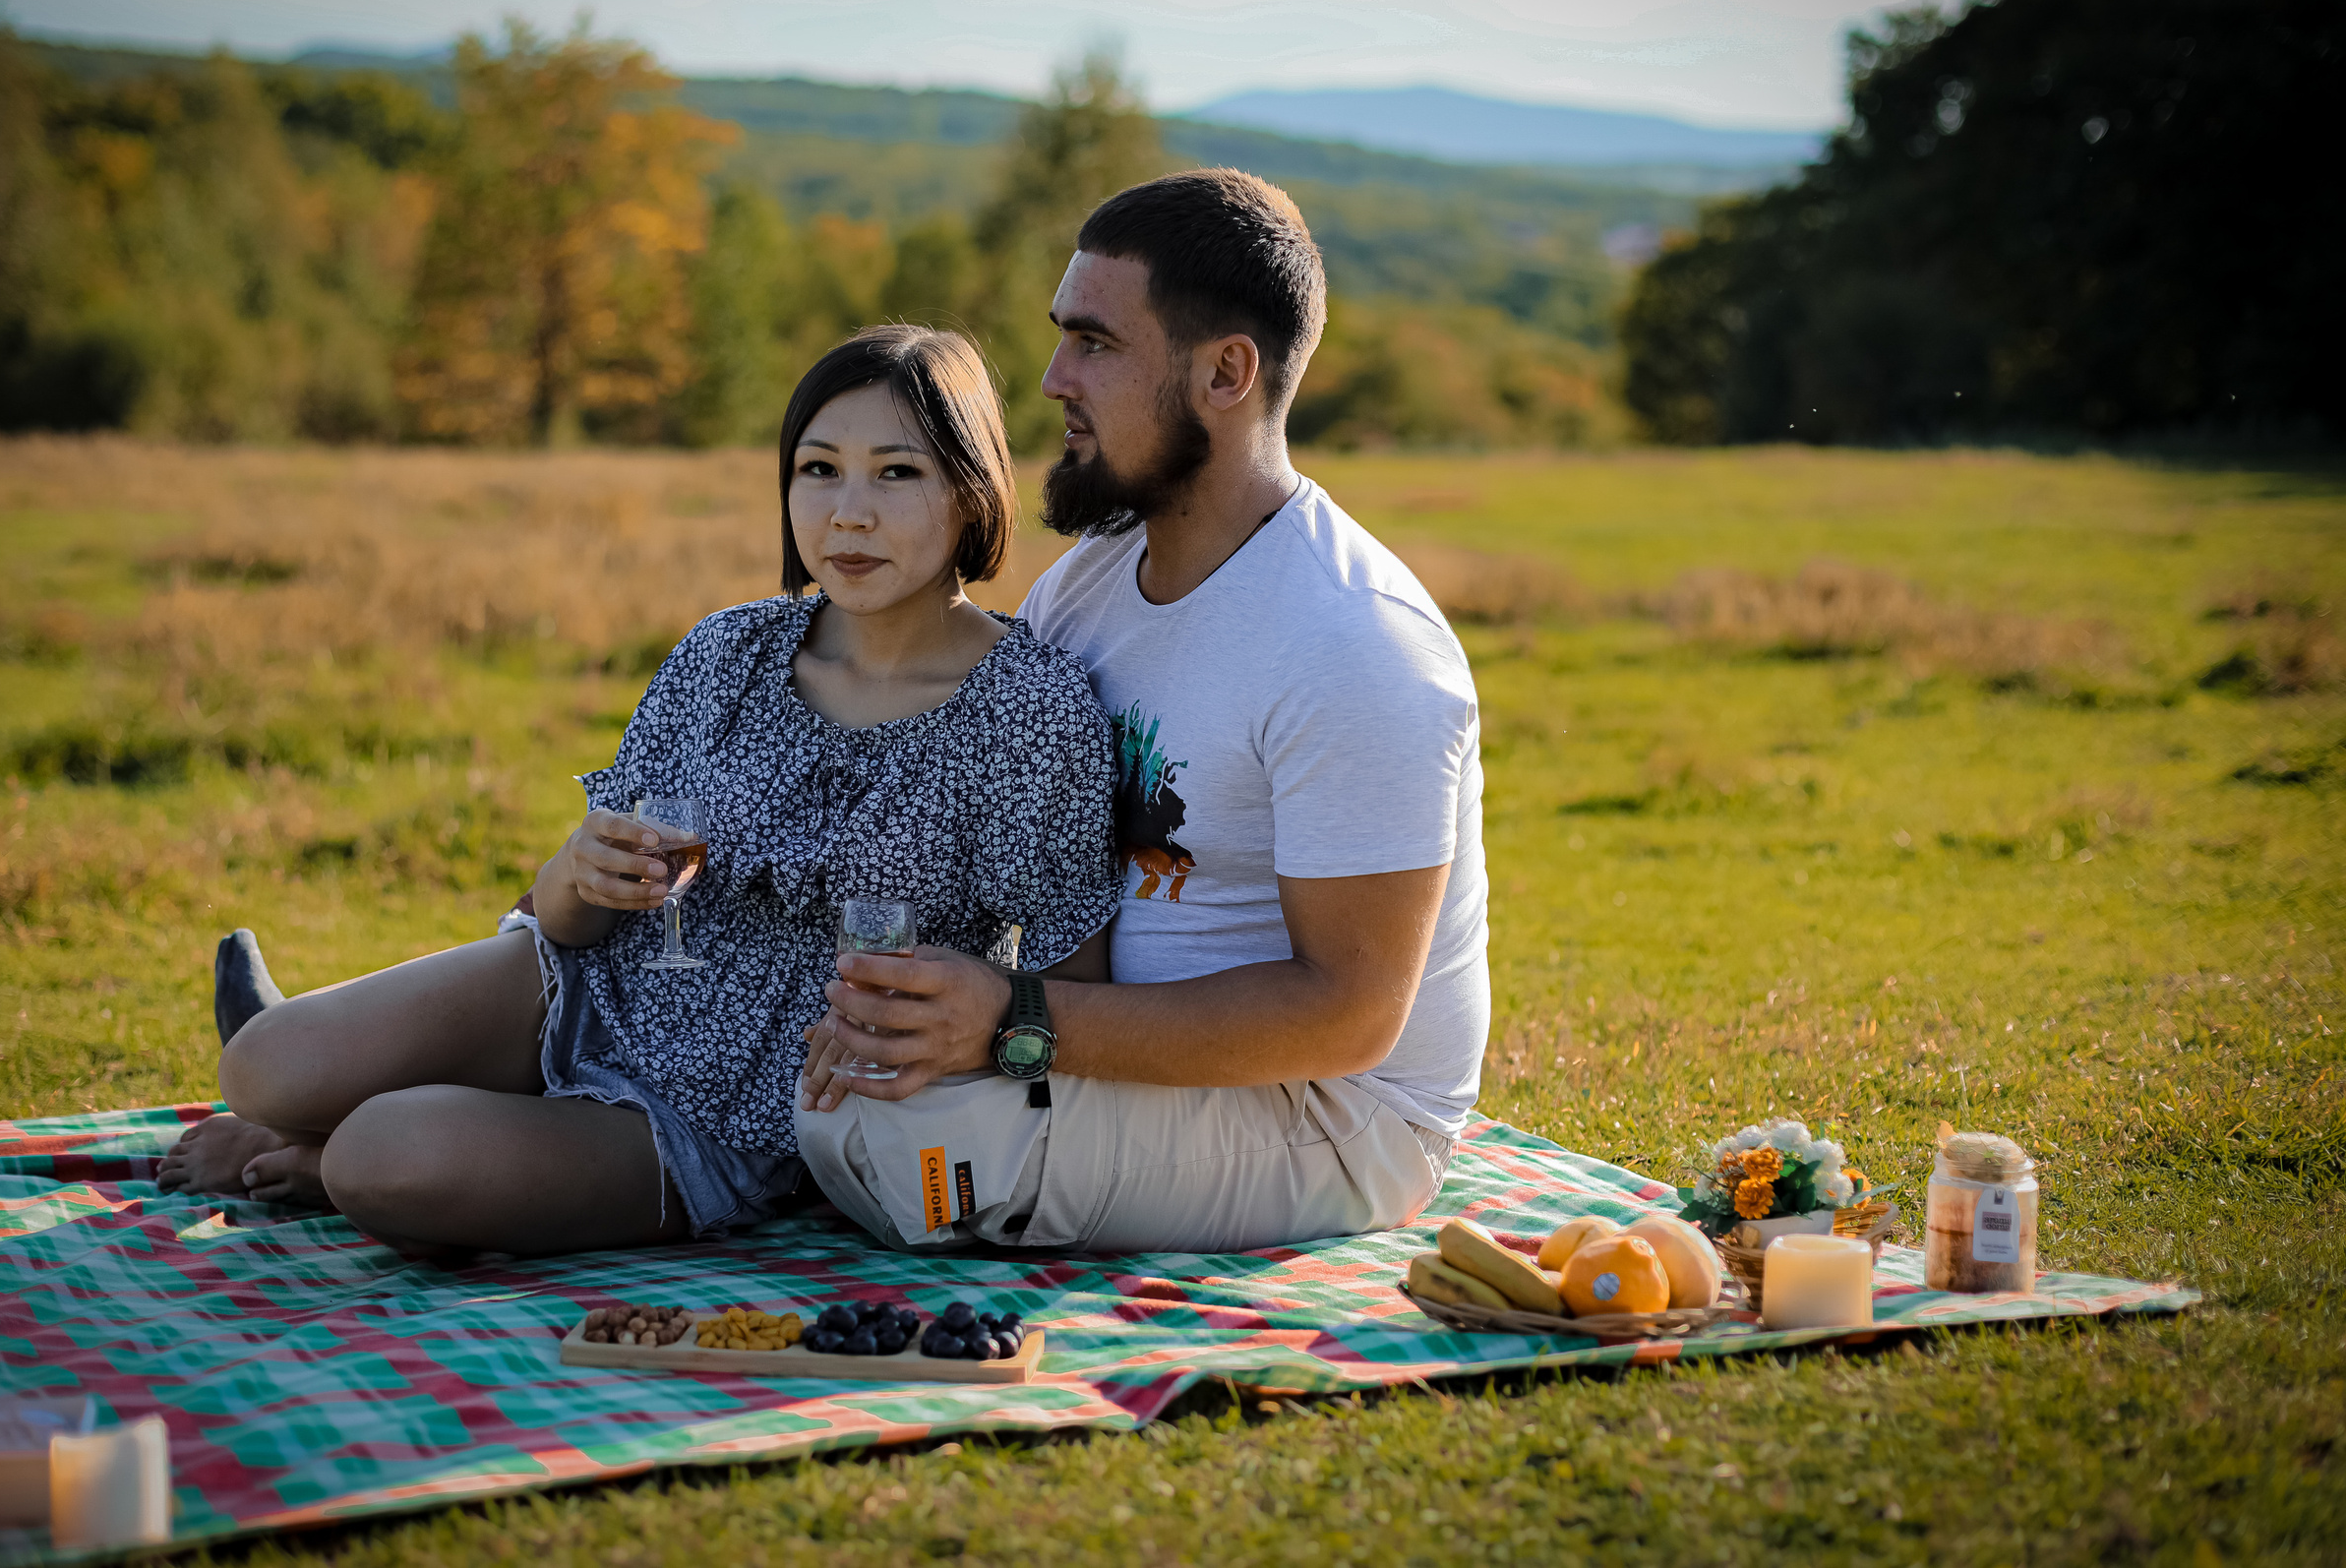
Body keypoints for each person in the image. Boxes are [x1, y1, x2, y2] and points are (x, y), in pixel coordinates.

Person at [156, 326, 1120, 1255]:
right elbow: (571, 913)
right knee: (262, 1067)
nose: (848, 512)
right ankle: (315, 1098)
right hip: (587, 984)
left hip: (732, 1114)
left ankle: (332, 1155)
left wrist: (960, 1032)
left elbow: (1069, 997)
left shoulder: (1029, 710)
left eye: (896, 473)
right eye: (818, 469)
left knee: (383, 1154)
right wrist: (578, 872)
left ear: (970, 487)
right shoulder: (728, 650)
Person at [795, 169, 1489, 1256]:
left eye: (1096, 343)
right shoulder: (1089, 584)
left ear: (1225, 372)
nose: (1051, 377)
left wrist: (1011, 1025)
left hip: (1330, 1118)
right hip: (1101, 1056)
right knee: (831, 1073)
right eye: (1061, 338)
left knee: (908, 1148)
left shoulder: (1354, 643)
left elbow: (1349, 1017)